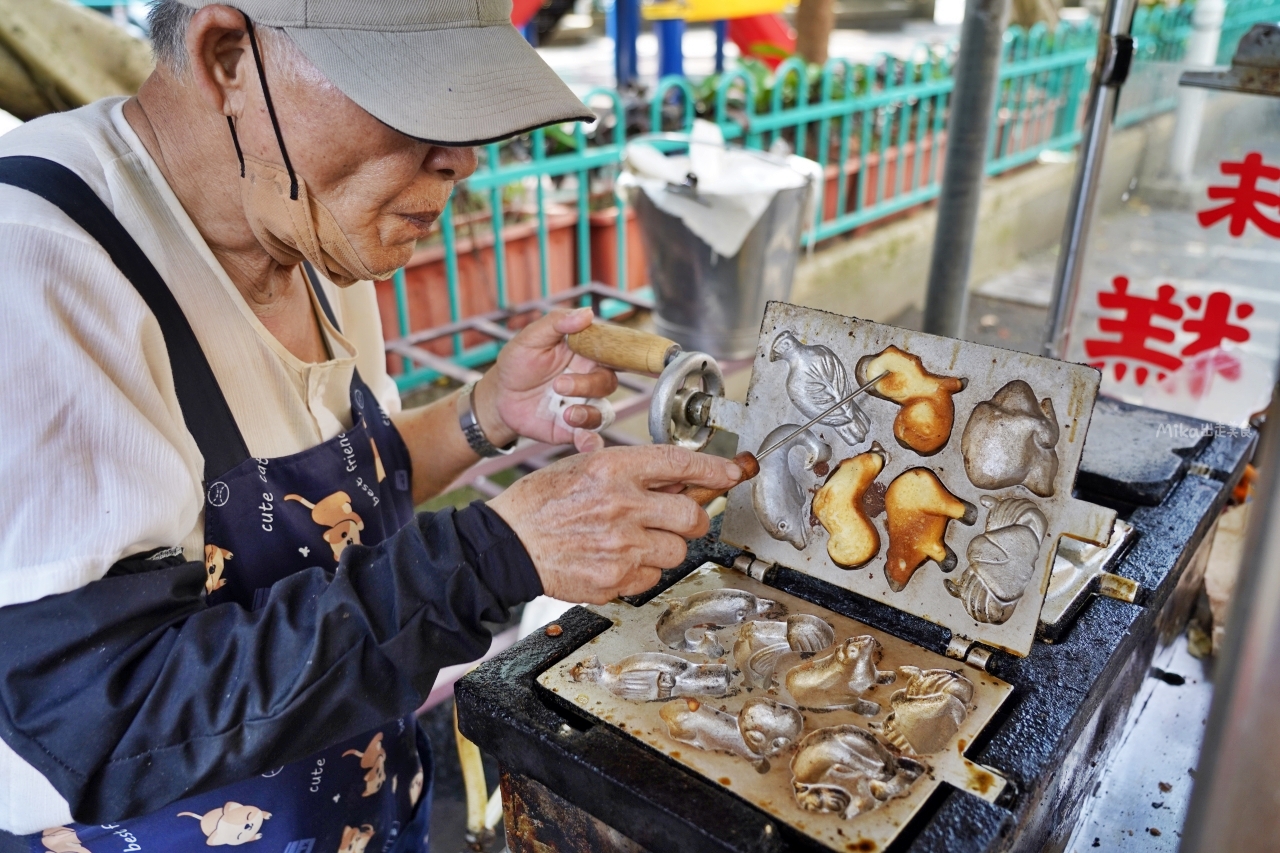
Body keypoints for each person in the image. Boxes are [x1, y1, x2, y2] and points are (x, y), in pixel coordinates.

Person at [0, 2, 744, 851]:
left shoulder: (307, 220)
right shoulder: (35, 264)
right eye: (411, 102)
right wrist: (492, 554)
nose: (459, 159)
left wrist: (485, 414)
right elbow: (101, 717)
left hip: (367, 808)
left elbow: (344, 493)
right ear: (230, 59)